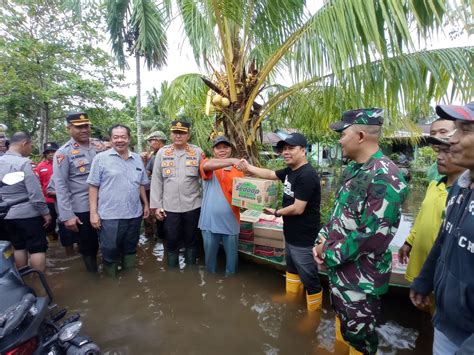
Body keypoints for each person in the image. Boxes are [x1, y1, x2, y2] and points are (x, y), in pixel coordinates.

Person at [313, 108, 408, 355]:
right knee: (346, 331)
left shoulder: (385, 177)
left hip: (361, 281)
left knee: (361, 342)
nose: (339, 140)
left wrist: (328, 252)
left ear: (361, 135)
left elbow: (373, 237)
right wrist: (320, 241)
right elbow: (338, 216)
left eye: (342, 134)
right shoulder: (354, 170)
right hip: (342, 273)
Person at [410, 102, 474, 355]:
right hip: (447, 322)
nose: (452, 140)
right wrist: (424, 279)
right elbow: (445, 237)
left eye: (465, 130)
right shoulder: (460, 187)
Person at [241, 132, 323, 312]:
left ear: (303, 150)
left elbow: (298, 208)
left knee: (309, 276)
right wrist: (249, 167)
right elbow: (270, 173)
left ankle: (314, 314)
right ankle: (292, 296)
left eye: (291, 148)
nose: (286, 152)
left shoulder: (307, 175)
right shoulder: (290, 171)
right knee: (292, 267)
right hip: (291, 232)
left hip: (304, 236)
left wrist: (276, 212)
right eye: (284, 149)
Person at [398, 134, 464, 284]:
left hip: (443, 273)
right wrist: (409, 242)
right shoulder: (434, 185)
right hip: (421, 266)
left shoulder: (464, 195)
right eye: (438, 151)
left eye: (447, 152)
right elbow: (422, 217)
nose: (439, 157)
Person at [87, 124, 150, 277]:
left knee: (130, 249)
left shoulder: (136, 159)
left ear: (129, 138)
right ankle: (112, 282)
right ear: (111, 139)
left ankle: (130, 282)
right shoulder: (100, 159)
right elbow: (93, 187)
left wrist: (146, 204)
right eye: (116, 137)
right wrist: (93, 213)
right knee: (109, 251)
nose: (119, 140)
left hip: (134, 215)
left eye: (123, 137)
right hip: (110, 216)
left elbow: (140, 183)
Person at [53, 112, 105, 272]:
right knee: (88, 246)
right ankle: (93, 276)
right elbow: (60, 186)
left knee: (110, 242)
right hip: (82, 208)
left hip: (105, 204)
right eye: (79, 127)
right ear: (69, 128)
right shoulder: (63, 153)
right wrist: (67, 216)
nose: (84, 130)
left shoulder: (100, 146)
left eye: (86, 126)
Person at [150, 120, 204, 267]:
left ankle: (191, 272)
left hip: (193, 206)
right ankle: (173, 273)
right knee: (172, 240)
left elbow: (205, 179)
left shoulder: (197, 152)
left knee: (192, 240)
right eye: (175, 132)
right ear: (171, 133)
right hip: (169, 207)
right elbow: (156, 180)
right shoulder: (162, 152)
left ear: (188, 134)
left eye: (182, 132)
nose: (178, 135)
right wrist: (156, 206)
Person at [0, 132, 52, 272]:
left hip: (7, 215)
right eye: (30, 146)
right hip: (28, 214)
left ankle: (23, 281)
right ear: (24, 144)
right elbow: (35, 192)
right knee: (37, 249)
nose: (30, 149)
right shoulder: (24, 163)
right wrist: (45, 213)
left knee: (18, 247)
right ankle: (39, 283)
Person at [198, 136, 244, 275]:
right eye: (219, 148)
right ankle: (210, 285)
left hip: (231, 220)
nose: (222, 150)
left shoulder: (239, 169)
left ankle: (230, 284)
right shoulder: (208, 163)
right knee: (209, 262)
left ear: (230, 149)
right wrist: (232, 160)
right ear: (214, 150)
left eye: (226, 147)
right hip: (209, 221)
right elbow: (206, 166)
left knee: (232, 262)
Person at [143, 131, 167, 241]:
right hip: (160, 195)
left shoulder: (165, 154)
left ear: (158, 141)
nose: (150, 144)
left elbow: (146, 175)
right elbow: (146, 174)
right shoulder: (154, 156)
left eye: (151, 141)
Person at [35, 142, 59, 241]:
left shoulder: (63, 163)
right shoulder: (40, 166)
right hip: (48, 200)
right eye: (48, 152)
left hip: (64, 198)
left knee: (66, 222)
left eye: (53, 151)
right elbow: (37, 184)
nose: (50, 154)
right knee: (49, 224)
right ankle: (54, 241)